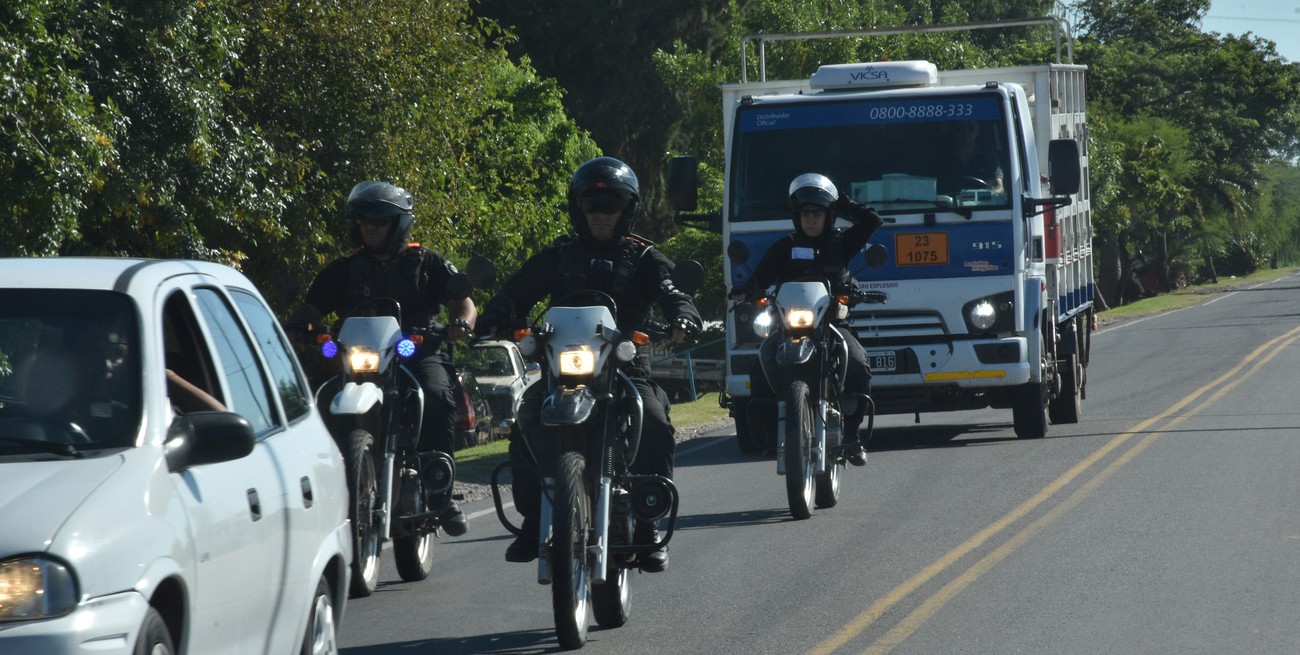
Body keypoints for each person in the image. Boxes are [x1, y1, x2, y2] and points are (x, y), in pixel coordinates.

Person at [476, 156, 702, 572]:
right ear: (577, 207)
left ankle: (649, 519)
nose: (601, 213)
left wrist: (683, 317)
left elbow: (674, 293)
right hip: (561, 368)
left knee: (653, 416)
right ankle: (531, 519)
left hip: (623, 366)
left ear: (627, 209)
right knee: (527, 417)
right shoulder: (559, 254)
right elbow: (516, 291)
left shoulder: (645, 256)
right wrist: (496, 315)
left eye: (612, 204)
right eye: (592, 205)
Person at [289, 180, 475, 537]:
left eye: (380, 221)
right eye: (364, 221)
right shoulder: (344, 269)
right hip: (358, 358)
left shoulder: (427, 261)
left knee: (436, 394)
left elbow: (463, 303)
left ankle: (440, 490)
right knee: (319, 399)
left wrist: (461, 325)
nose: (370, 227)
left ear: (399, 224)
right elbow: (310, 308)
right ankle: (325, 486)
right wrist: (301, 324)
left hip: (415, 352)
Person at [735, 173, 883, 466]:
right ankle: (766, 433)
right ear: (797, 217)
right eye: (805, 215)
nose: (811, 220)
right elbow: (760, 278)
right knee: (760, 363)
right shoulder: (784, 246)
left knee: (857, 362)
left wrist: (843, 200)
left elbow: (872, 222)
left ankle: (852, 436)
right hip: (789, 325)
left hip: (831, 324)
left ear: (829, 215)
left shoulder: (842, 242)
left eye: (817, 214)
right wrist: (746, 290)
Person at [933, 120, 1004, 194]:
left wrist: (988, 194)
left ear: (977, 131)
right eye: (959, 129)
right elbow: (932, 187)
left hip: (981, 204)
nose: (965, 133)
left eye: (970, 128)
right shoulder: (942, 157)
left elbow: (999, 187)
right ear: (953, 131)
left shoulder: (989, 156)